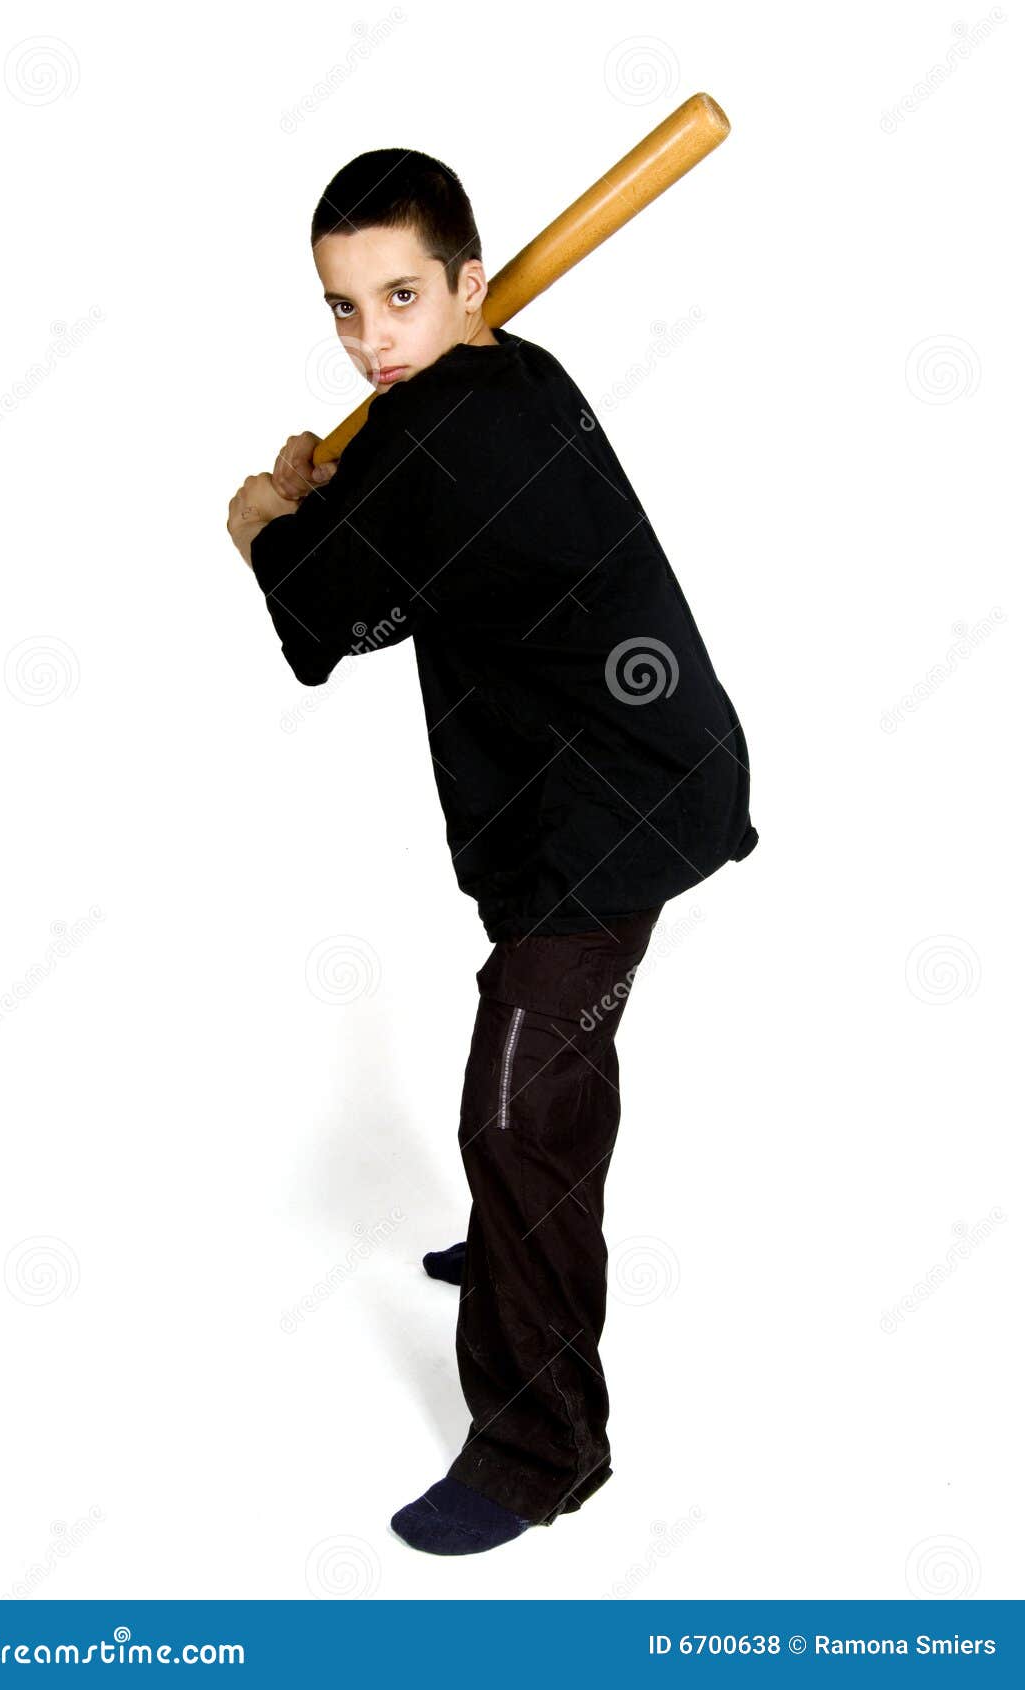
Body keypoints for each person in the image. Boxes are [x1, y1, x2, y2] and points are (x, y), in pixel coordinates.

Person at [226, 149, 759, 1556]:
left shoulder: (453, 435)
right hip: (609, 784)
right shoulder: (500, 374)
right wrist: (321, 499)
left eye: (403, 295)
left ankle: (540, 1449)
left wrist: (259, 524)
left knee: (514, 1111)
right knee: (550, 1061)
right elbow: (393, 531)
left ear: (470, 282)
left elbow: (326, 616)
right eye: (345, 308)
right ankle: (533, 1239)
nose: (372, 337)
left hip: (616, 810)